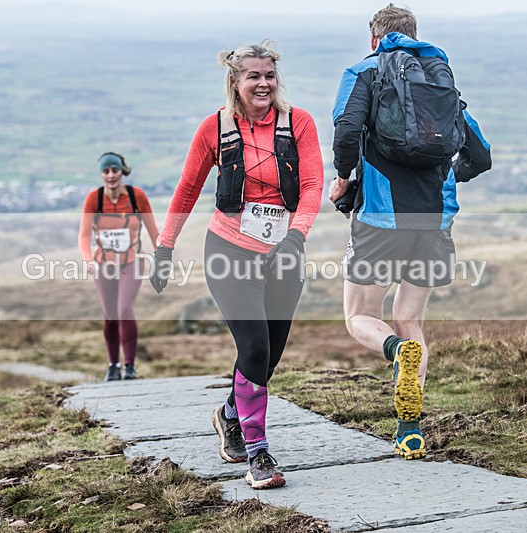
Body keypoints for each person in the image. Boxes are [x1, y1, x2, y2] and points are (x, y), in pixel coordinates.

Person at [149, 40, 324, 489]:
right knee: (255, 346)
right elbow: (187, 189)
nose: (263, 84)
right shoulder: (214, 127)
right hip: (229, 249)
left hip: (284, 251)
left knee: (270, 354)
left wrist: (296, 236)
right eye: (253, 76)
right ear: (235, 81)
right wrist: (165, 247)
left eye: (269, 75)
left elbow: (312, 185)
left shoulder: (299, 123)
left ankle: (230, 414)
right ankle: (258, 453)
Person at [329, 4, 492, 460]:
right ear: (414, 34)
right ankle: (410, 431)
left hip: (381, 219)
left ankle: (395, 350)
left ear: (374, 39)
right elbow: (480, 156)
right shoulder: (441, 83)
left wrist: (342, 178)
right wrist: (446, 176)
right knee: (411, 319)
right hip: (435, 221)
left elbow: (346, 130)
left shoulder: (364, 72)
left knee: (359, 316)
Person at [79, 151, 160, 381]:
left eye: (115, 170)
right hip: (104, 264)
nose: (111, 175)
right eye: (106, 171)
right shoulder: (94, 199)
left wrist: (162, 256)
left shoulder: (136, 196)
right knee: (110, 314)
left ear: (122, 171)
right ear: (101, 174)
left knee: (124, 308)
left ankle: (130, 365)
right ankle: (113, 365)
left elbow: (153, 230)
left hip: (132, 261)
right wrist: (89, 260)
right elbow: (84, 235)